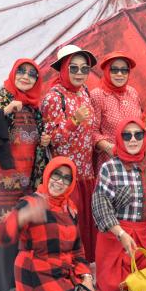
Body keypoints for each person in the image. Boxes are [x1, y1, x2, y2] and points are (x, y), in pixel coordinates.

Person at [0, 58, 49, 291]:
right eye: (21, 72)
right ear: (13, 74)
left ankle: (19, 279)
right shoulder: (1, 97)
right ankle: (4, 283)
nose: (26, 77)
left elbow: (36, 135)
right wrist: (4, 111)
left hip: (25, 178)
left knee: (21, 224)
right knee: (3, 223)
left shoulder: (35, 106)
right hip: (2, 176)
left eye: (31, 74)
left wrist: (44, 141)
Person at [0, 157, 93, 291]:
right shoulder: (31, 202)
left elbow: (78, 250)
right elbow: (0, 237)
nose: (59, 181)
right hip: (36, 270)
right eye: (56, 175)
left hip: (63, 270)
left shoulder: (70, 208)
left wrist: (86, 277)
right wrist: (21, 217)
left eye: (66, 178)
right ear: (47, 175)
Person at [92, 118, 146, 291]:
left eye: (138, 134)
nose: (133, 140)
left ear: (144, 138)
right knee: (113, 290)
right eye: (127, 135)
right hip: (115, 237)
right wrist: (121, 234)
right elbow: (101, 206)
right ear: (119, 138)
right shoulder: (109, 168)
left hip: (145, 238)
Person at [41, 44, 100, 261]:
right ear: (63, 69)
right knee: (68, 224)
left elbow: (91, 129)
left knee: (84, 222)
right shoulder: (54, 97)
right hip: (66, 176)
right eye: (73, 68)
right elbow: (48, 139)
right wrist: (73, 121)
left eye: (84, 69)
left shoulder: (85, 92)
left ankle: (83, 265)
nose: (79, 73)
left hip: (86, 171)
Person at [90, 51, 142, 173]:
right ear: (107, 71)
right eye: (114, 70)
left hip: (135, 158)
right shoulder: (97, 95)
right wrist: (109, 147)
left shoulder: (132, 92)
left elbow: (140, 123)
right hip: (110, 161)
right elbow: (92, 131)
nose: (120, 74)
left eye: (124, 70)